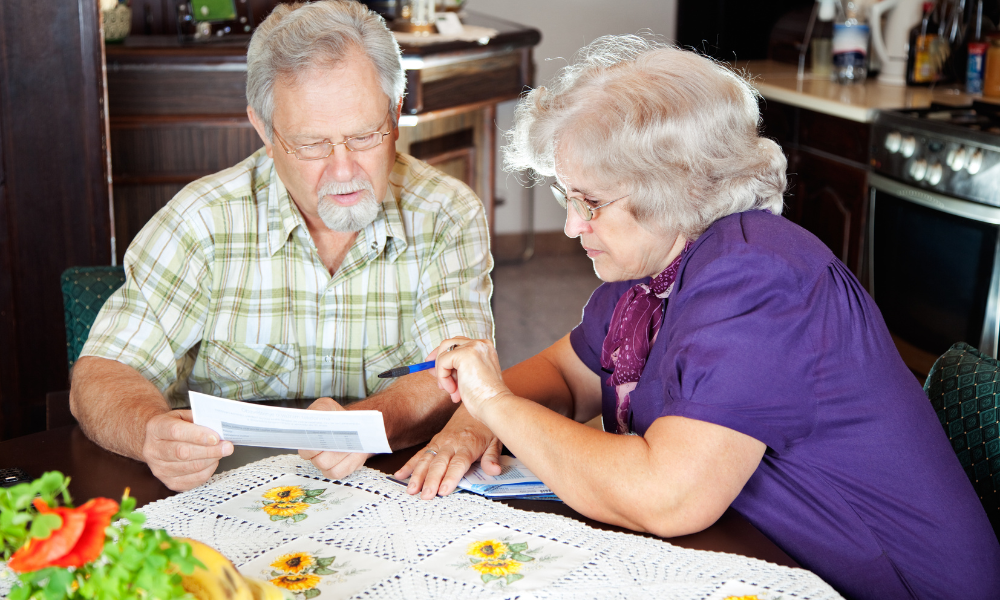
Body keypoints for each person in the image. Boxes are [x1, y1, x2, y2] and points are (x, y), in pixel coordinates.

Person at [402, 36, 1000, 599]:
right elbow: (566, 375)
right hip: (760, 557)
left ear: (676, 186)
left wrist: (495, 406)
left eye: (592, 201)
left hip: (886, 584)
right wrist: (474, 423)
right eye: (567, 195)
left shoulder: (760, 277)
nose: (570, 225)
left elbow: (668, 498)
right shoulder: (650, 270)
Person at [70, 0, 494, 493]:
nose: (343, 171)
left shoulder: (447, 213)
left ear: (395, 114)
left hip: (389, 490)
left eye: (364, 136)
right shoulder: (203, 218)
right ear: (265, 132)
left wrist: (358, 426)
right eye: (312, 144)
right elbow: (101, 373)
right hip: (225, 500)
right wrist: (149, 433)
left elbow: (460, 373)